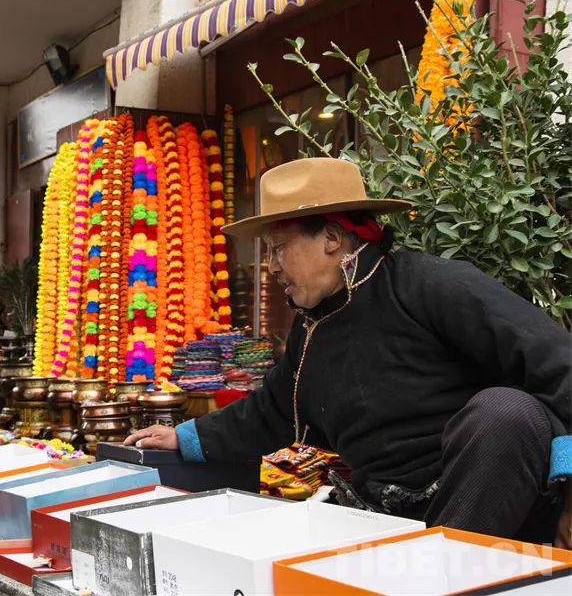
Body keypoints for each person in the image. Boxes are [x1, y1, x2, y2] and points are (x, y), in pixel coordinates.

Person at [126, 157, 572, 548]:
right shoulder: (313, 325)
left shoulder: (432, 284)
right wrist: (186, 437)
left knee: (507, 413)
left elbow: (559, 364)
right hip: (383, 510)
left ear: (331, 238)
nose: (272, 266)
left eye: (279, 249)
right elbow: (270, 411)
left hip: (479, 502)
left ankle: (447, 568)